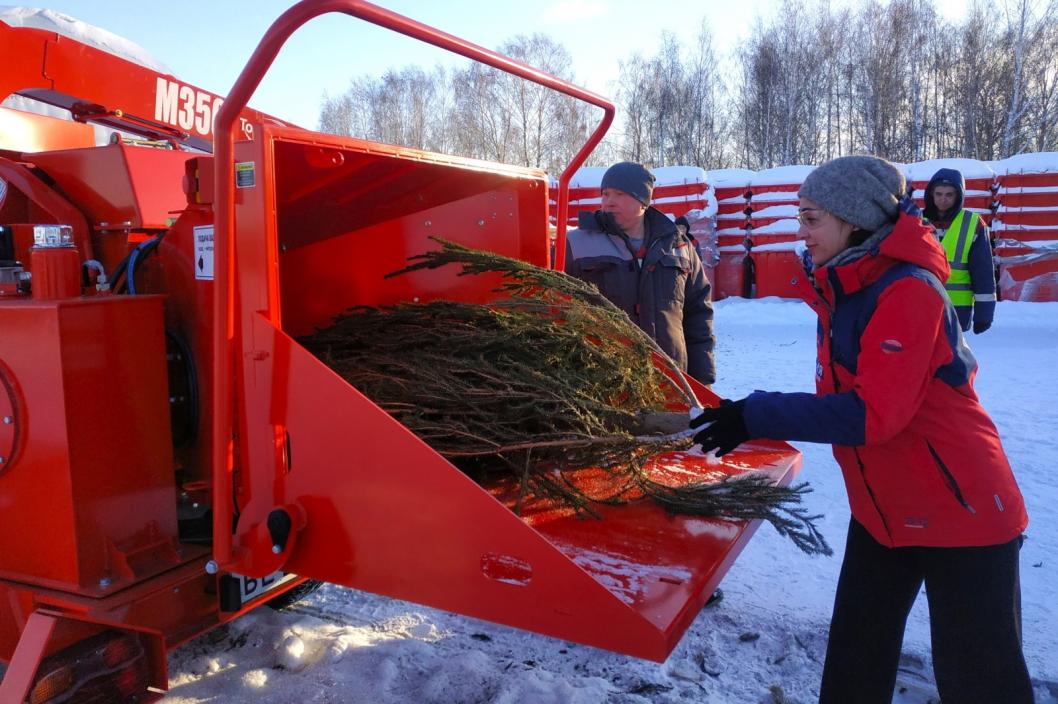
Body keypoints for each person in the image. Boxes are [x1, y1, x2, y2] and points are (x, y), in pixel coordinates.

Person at [690, 156, 1032, 702]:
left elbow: (871, 414)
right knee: (854, 662)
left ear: (854, 219)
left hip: (962, 512)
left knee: (980, 680)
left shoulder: (907, 291)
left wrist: (755, 412)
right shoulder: (845, 287)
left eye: (811, 219)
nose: (800, 234)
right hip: (884, 510)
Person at [565, 161, 716, 386]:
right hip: (603, 382)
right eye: (605, 194)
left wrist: (702, 379)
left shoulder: (679, 245)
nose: (609, 202)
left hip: (671, 380)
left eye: (620, 193)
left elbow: (698, 314)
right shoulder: (575, 244)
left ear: (643, 201)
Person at [923, 167, 996, 334]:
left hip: (956, 309)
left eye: (949, 195)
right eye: (939, 194)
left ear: (959, 196)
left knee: (950, 358)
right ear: (931, 194)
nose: (943, 199)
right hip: (920, 304)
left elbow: (983, 272)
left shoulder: (973, 224)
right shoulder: (916, 220)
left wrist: (984, 313)